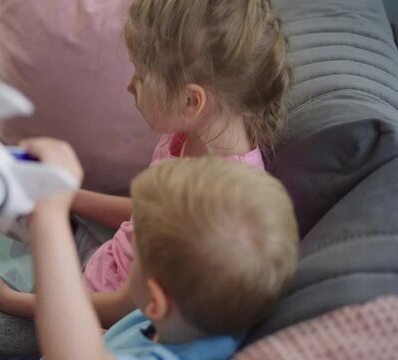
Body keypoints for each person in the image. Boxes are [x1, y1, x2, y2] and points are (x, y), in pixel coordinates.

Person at [0, 0, 292, 353]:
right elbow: (145, 212)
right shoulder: (188, 135)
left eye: (140, 76)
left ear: (192, 100)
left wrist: (11, 302)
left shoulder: (223, 207)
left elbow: (129, 303)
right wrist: (65, 194)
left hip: (96, 314)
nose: (130, 86)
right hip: (100, 259)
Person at [19, 139, 299, 360]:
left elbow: (72, 355)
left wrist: (49, 216)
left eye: (136, 251)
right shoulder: (204, 316)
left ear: (157, 301)